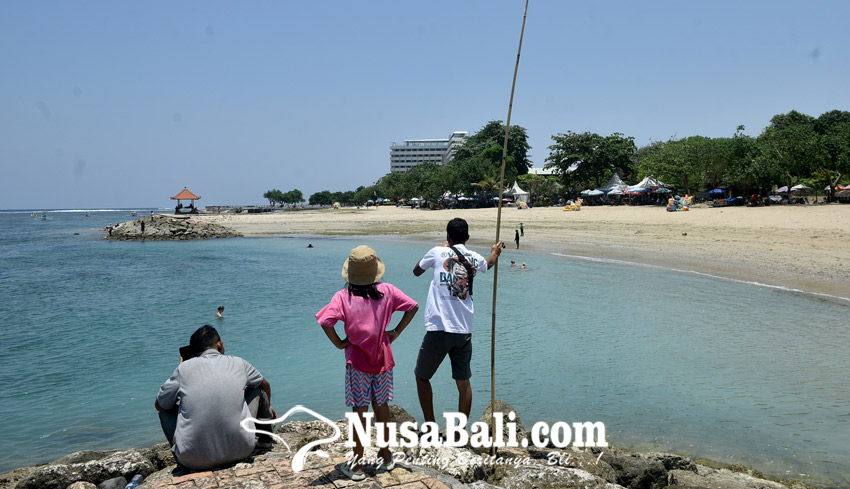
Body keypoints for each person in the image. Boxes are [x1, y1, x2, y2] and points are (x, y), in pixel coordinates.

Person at [317, 245, 418, 480]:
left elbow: (325, 321)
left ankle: (358, 466)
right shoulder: (388, 291)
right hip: (382, 359)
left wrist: (339, 343)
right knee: (381, 408)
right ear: (374, 272)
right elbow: (413, 307)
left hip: (356, 363)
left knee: (359, 413)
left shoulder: (343, 296)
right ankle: (385, 457)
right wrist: (396, 332)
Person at [412, 218, 501, 433]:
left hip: (439, 329)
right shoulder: (473, 256)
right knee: (463, 382)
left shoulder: (436, 252)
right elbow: (487, 264)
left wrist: (441, 247)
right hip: (463, 331)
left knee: (422, 376)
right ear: (467, 238)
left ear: (448, 236)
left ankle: (431, 427)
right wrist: (495, 253)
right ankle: (459, 432)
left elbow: (416, 271)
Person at [155, 325, 277, 470]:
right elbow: (265, 384)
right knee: (257, 388)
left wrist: (180, 371)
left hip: (193, 461)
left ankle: (183, 455)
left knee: (165, 410)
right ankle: (264, 441)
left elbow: (160, 405)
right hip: (242, 450)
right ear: (220, 345)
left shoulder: (183, 369)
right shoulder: (238, 362)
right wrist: (268, 405)